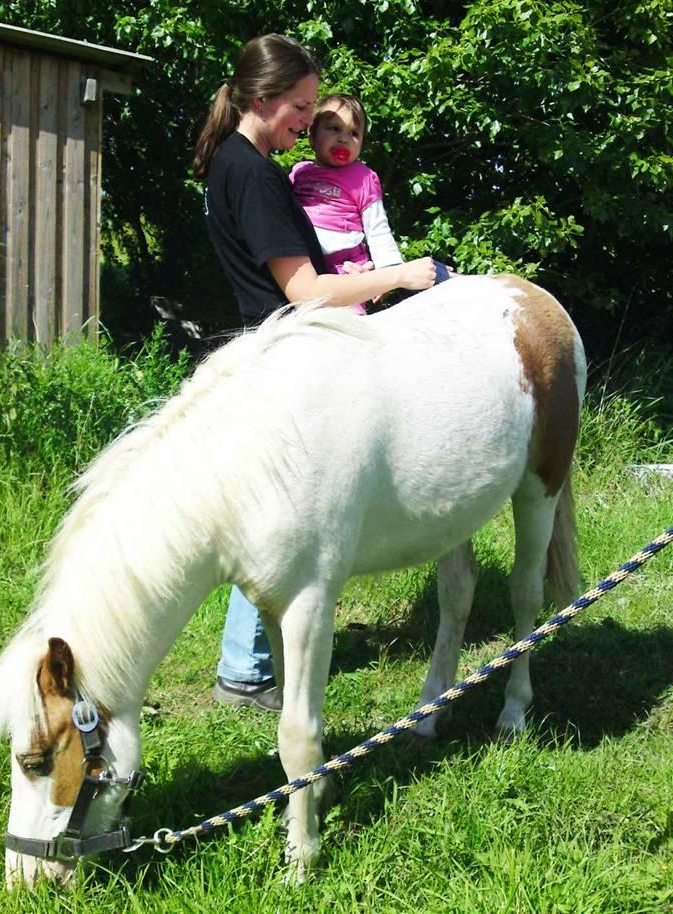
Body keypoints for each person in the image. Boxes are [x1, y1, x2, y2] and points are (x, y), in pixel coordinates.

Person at [193, 34, 439, 711]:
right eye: (301, 107)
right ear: (263, 98)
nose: (308, 122)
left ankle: (248, 660)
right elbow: (301, 290)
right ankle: (248, 668)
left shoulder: (235, 162)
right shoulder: (254, 174)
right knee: (285, 520)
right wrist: (399, 276)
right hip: (290, 360)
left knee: (273, 515)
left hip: (268, 351)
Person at [289, 93, 451, 312]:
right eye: (334, 129)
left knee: (347, 324)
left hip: (345, 269)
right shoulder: (300, 172)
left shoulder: (363, 177)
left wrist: (388, 272)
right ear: (312, 135)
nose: (343, 138)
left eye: (353, 133)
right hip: (303, 267)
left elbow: (377, 227)